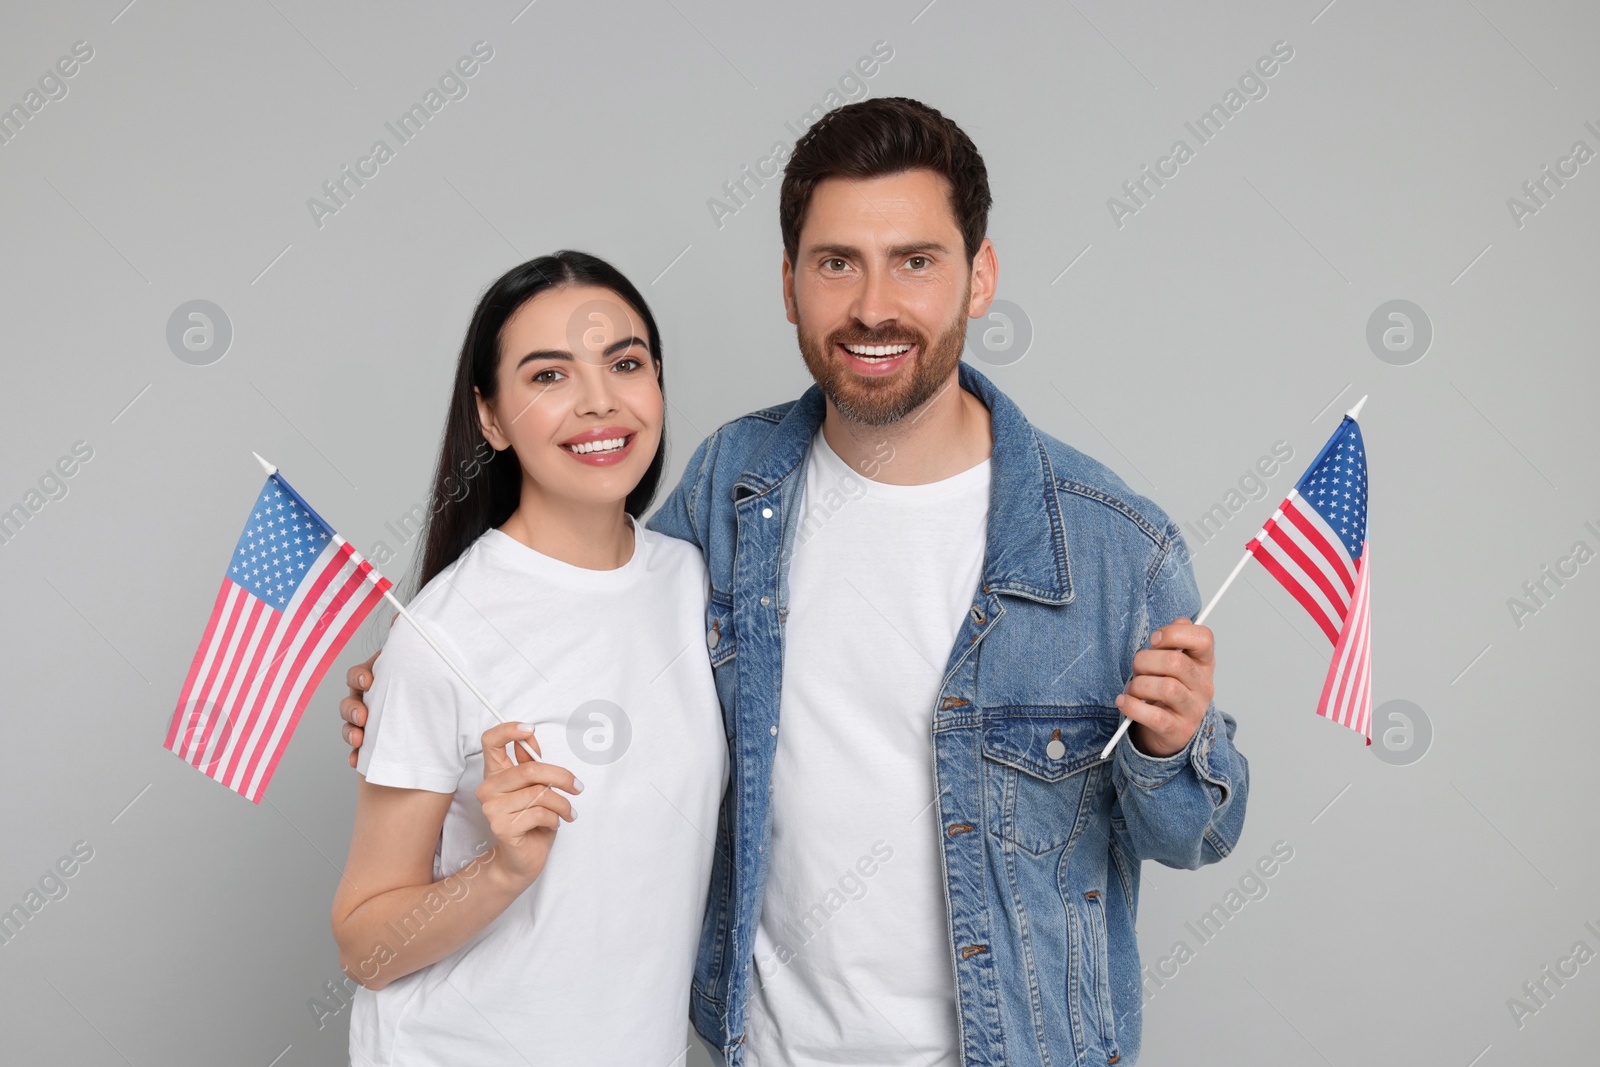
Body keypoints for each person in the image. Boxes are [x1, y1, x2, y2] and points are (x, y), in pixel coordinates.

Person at [342, 97, 1249, 1067]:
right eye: (835, 263)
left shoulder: (1113, 545)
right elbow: (579, 602)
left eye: (915, 259)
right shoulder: (734, 493)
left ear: (979, 277)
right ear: (789, 285)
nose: (870, 305)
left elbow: (1199, 832)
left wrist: (1171, 743)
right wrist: (410, 689)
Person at [329, 251, 728, 1066]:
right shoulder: (442, 632)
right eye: (549, 376)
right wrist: (501, 871)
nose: (598, 401)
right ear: (491, 417)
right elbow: (364, 941)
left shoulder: (696, 581)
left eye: (624, 363)